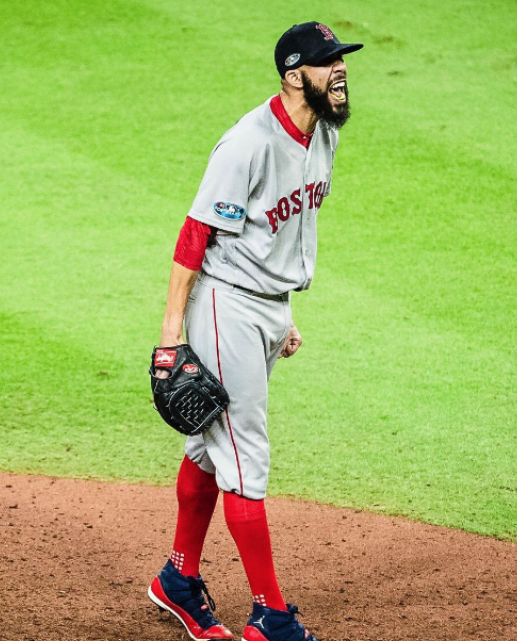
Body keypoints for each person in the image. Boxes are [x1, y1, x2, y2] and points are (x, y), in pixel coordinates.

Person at [146, 21, 363, 641]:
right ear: (295, 75)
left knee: (209, 449)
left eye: (342, 61)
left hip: (265, 307)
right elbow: (196, 236)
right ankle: (270, 615)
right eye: (329, 63)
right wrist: (171, 334)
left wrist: (284, 310)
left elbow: (283, 232)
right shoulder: (247, 142)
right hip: (225, 307)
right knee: (246, 457)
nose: (341, 71)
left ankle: (179, 580)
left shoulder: (324, 135)